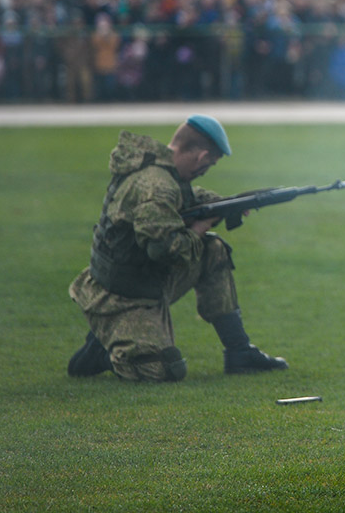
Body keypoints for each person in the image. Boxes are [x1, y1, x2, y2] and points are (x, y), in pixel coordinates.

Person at [66, 115, 288, 381]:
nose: (207, 169)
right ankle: (103, 348)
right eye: (209, 163)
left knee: (212, 250)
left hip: (145, 280)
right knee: (161, 370)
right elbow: (167, 250)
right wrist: (202, 225)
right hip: (121, 295)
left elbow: (189, 198)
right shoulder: (156, 186)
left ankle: (240, 351)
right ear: (201, 155)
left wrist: (228, 205)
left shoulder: (165, 172)